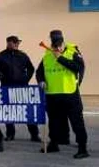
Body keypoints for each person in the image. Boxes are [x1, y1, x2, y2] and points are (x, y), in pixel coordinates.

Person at [36, 30, 89, 159]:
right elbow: (39, 71)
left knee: (77, 122)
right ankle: (54, 143)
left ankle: (82, 148)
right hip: (52, 94)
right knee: (54, 122)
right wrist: (41, 80)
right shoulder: (47, 54)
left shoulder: (73, 52)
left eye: (59, 43)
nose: (57, 46)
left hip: (70, 94)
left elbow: (78, 67)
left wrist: (60, 57)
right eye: (54, 43)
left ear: (63, 42)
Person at [0, 36, 39, 142]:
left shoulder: (23, 55)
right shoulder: (0, 56)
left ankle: (34, 134)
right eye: (12, 43)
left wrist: (26, 79)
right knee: (8, 112)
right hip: (7, 87)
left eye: (16, 43)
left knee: (29, 111)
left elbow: (31, 68)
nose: (15, 44)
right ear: (8, 43)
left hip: (22, 87)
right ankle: (10, 134)